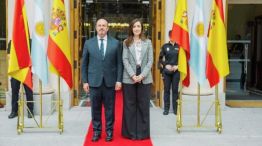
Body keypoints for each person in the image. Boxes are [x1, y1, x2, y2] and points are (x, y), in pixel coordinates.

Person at [81, 18, 122, 142]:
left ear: (108, 28)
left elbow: (119, 63)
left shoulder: (116, 43)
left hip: (110, 82)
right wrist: (85, 81)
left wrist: (119, 80)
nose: (101, 27)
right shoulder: (88, 43)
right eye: (99, 25)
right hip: (94, 82)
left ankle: (109, 131)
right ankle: (96, 131)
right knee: (95, 109)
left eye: (104, 25)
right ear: (96, 27)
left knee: (110, 109)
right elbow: (84, 64)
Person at [122, 18, 153, 140]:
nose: (136, 28)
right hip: (129, 76)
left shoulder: (148, 42)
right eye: (134, 26)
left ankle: (142, 133)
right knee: (129, 105)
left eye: (138, 26)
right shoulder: (126, 42)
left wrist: (141, 75)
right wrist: (133, 75)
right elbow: (124, 59)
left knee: (143, 105)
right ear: (131, 28)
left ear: (142, 28)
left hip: (144, 76)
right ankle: (130, 133)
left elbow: (150, 60)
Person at [7, 40, 34, 119]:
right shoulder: (12, 42)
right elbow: (9, 56)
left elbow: (33, 56)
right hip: (16, 70)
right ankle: (14, 111)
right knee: (14, 91)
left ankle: (30, 111)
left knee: (29, 91)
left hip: (26, 70)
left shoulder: (30, 41)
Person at [158, 30, 180, 115]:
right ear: (169, 36)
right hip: (166, 72)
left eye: (174, 35)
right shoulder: (164, 46)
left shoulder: (179, 47)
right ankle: (166, 109)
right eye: (171, 36)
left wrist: (177, 66)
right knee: (166, 90)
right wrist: (165, 65)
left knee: (175, 90)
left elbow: (183, 60)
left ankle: (175, 109)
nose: (172, 37)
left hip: (176, 72)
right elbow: (160, 59)